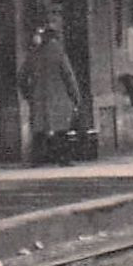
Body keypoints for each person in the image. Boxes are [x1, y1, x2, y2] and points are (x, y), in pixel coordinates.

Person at [20, 26, 81, 165]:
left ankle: (36, 160)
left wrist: (28, 94)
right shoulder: (59, 53)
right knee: (61, 129)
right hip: (60, 98)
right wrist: (76, 97)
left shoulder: (33, 54)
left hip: (38, 98)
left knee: (38, 129)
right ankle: (63, 158)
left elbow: (22, 77)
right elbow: (69, 76)